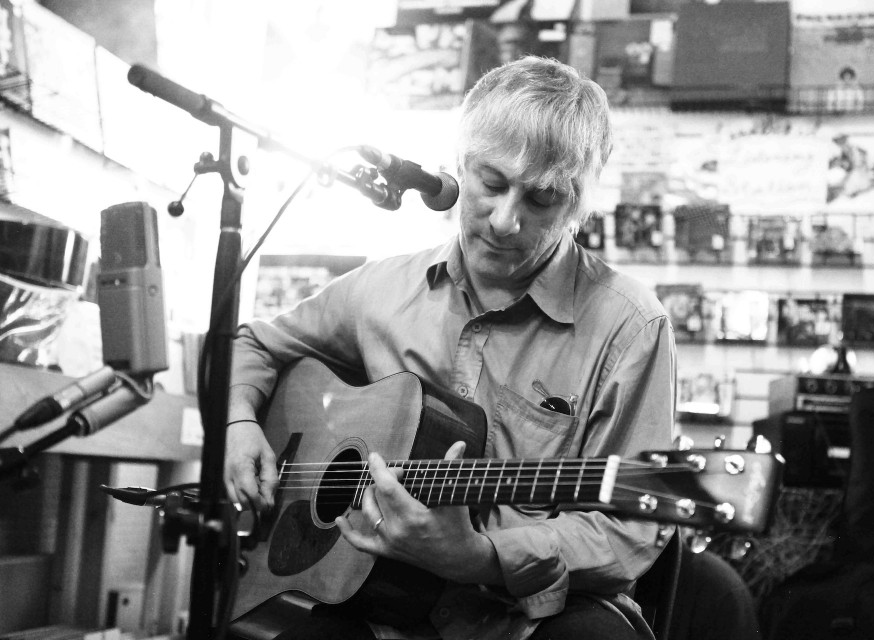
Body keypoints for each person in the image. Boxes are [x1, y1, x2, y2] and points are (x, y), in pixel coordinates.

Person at [225, 56, 677, 640]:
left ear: (578, 205)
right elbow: (254, 344)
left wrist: (482, 557)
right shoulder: (382, 288)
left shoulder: (631, 326)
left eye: (542, 200)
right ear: (457, 167)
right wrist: (239, 420)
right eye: (490, 184)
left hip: (525, 618)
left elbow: (632, 528)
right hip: (370, 593)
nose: (506, 221)